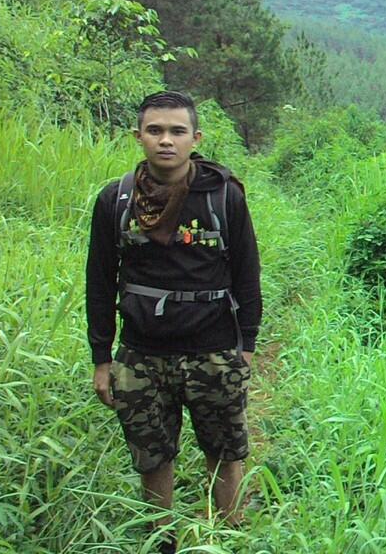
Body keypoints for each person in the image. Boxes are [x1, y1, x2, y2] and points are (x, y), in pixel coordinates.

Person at [86, 91, 262, 552]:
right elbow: (100, 282)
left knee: (225, 453)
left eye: (177, 131)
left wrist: (246, 348)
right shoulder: (116, 199)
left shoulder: (223, 196)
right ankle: (160, 540)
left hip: (214, 351)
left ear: (195, 137)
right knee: (151, 457)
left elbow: (247, 273)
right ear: (138, 136)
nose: (166, 140)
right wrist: (102, 359)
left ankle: (227, 536)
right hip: (141, 355)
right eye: (155, 130)